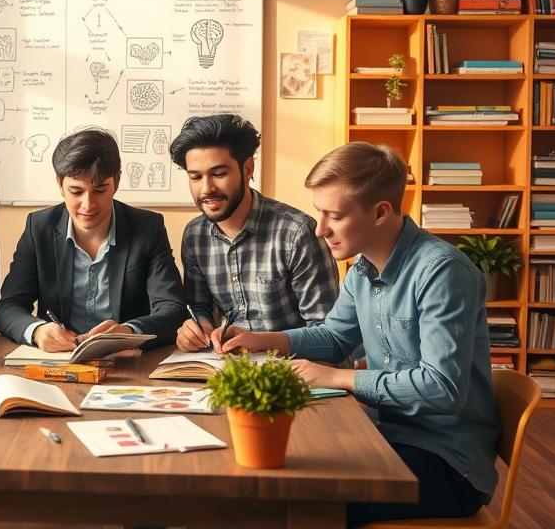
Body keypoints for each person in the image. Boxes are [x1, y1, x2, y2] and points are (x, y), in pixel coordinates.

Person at [214, 142, 499, 526]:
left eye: (335, 215)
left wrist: (338, 378)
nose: (320, 229)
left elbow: (441, 388)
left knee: (292, 501)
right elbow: (334, 337)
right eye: (320, 213)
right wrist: (262, 339)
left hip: (448, 464)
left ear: (381, 212)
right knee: (268, 475)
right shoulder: (364, 267)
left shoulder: (442, 272)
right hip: (391, 436)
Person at [0, 128, 186, 351]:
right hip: (59, 360)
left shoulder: (148, 228)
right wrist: (37, 331)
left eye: (99, 190)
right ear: (60, 184)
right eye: (76, 191)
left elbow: (173, 309)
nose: (88, 204)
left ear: (116, 181)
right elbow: (8, 307)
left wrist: (130, 331)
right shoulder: (39, 228)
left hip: (126, 362)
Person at [168, 114, 338, 351]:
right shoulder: (195, 236)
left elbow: (327, 333)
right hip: (228, 367)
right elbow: (199, 306)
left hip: (291, 369)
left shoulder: (297, 232)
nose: (206, 189)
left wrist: (264, 344)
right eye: (195, 176)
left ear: (248, 169)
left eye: (219, 174)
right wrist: (197, 328)